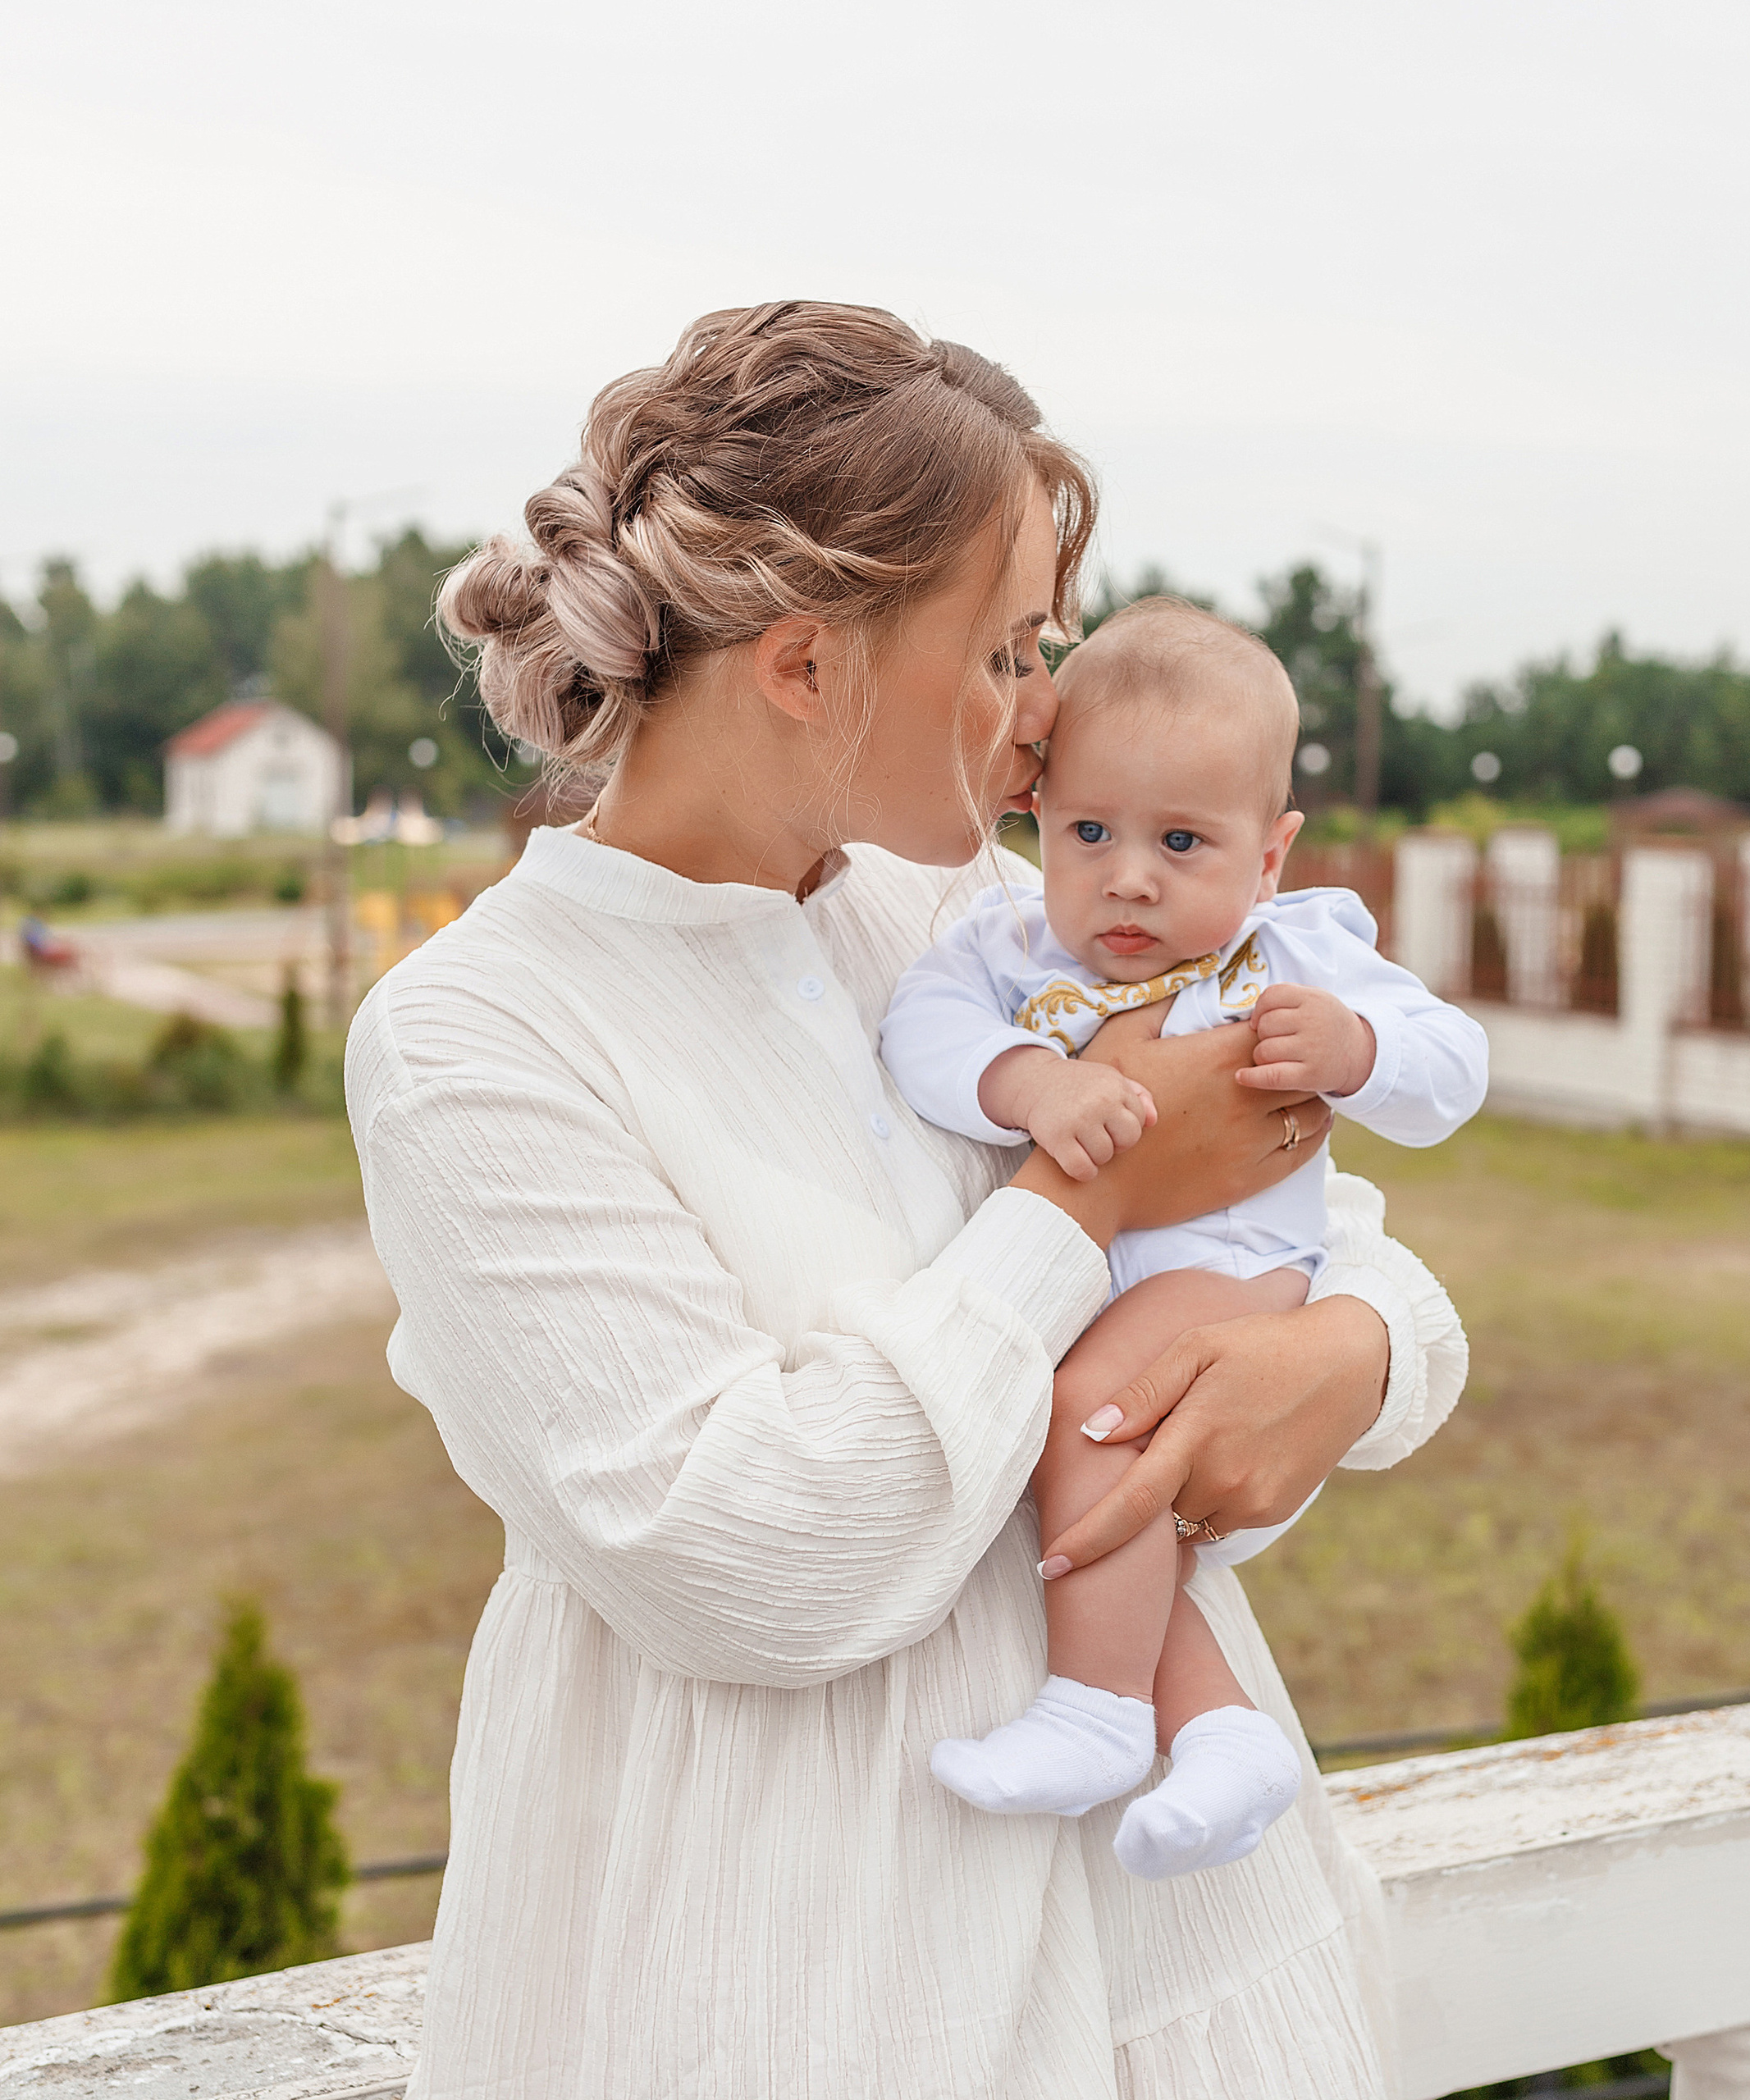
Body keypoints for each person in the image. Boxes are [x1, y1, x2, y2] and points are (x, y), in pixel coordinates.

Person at [347, 299, 1470, 2099]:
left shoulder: (968, 929)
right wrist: (1073, 1205)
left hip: (1176, 1963)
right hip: (798, 1986)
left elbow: (1340, 1251)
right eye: (1014, 648)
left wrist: (1353, 1357)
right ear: (805, 667)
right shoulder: (477, 1035)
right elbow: (757, 1556)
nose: (1050, 720)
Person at [880, 598, 1487, 1883]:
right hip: (1110, 1276)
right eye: (1090, 832)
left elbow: (1455, 1073)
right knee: (1101, 1463)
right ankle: (1222, 1734)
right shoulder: (1002, 946)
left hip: (1231, 1277)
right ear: (1039, 818)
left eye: (1183, 841)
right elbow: (920, 1036)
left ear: (1270, 855)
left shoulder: (1295, 951)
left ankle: (1097, 1716)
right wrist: (1029, 1086)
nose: (1131, 876)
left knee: (1092, 1409)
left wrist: (1358, 1049)